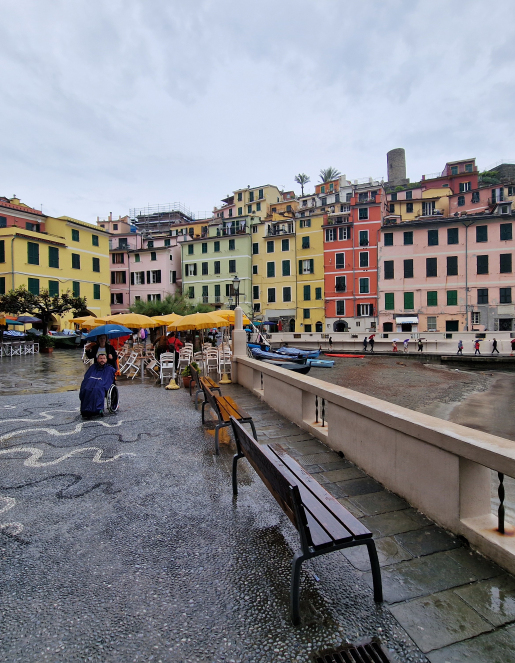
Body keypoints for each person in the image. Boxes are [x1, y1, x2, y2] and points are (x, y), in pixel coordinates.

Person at [79, 353, 116, 418]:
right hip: (91, 382)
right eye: (101, 358)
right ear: (97, 359)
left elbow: (108, 380)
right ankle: (85, 410)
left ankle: (97, 409)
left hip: (101, 384)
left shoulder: (109, 369)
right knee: (86, 389)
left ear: (106, 360)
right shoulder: (93, 367)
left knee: (97, 389)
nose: (102, 360)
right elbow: (87, 377)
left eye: (104, 358)